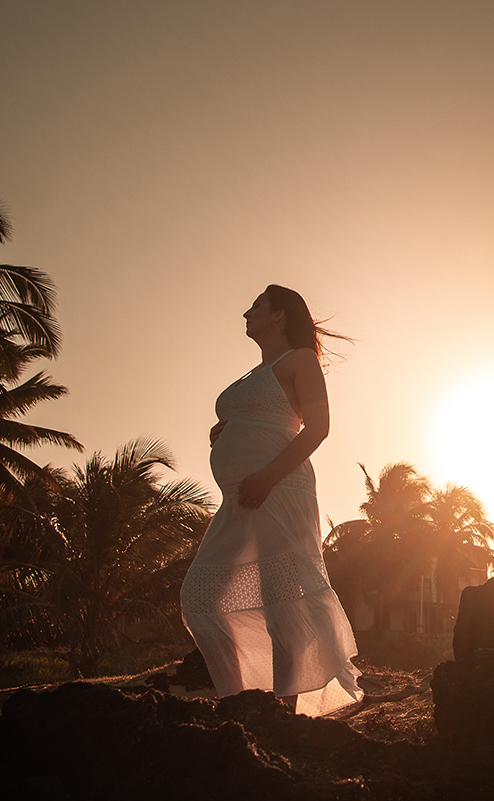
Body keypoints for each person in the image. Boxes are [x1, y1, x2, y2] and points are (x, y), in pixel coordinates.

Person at [181, 285, 363, 716]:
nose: (246, 311)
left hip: (279, 490)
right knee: (200, 597)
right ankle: (243, 699)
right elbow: (258, 419)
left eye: (257, 306)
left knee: (282, 597)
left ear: (280, 315)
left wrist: (266, 476)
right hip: (240, 498)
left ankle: (282, 707)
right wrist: (225, 433)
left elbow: (317, 427)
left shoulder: (300, 360)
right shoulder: (252, 374)